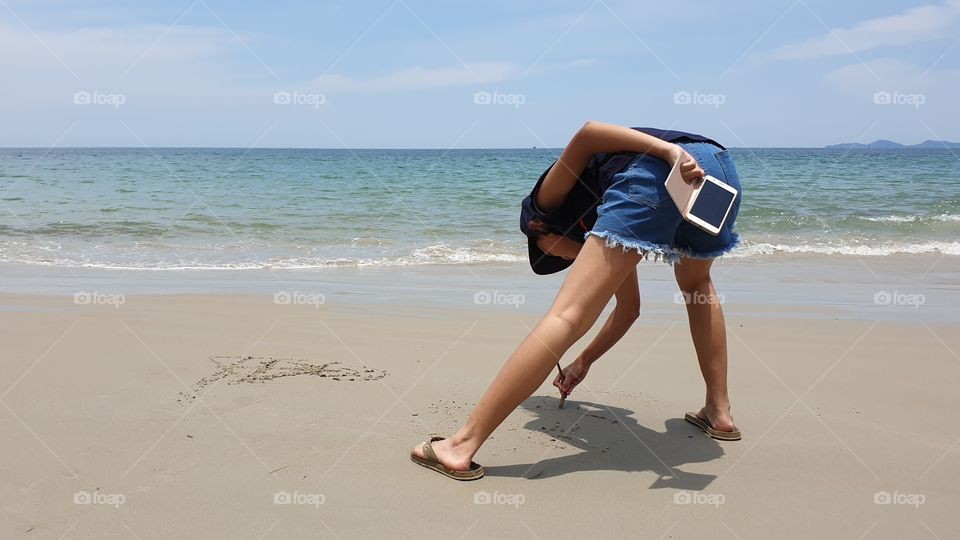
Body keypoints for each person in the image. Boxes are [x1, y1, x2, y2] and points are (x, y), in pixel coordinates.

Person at [410, 121, 742, 480]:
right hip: (718, 169)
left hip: (665, 164)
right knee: (696, 283)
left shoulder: (543, 205)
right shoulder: (607, 218)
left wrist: (668, 152)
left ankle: (460, 446)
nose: (567, 259)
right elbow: (628, 310)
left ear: (541, 232)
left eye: (553, 254)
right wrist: (583, 361)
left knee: (566, 315)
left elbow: (589, 133)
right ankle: (718, 412)